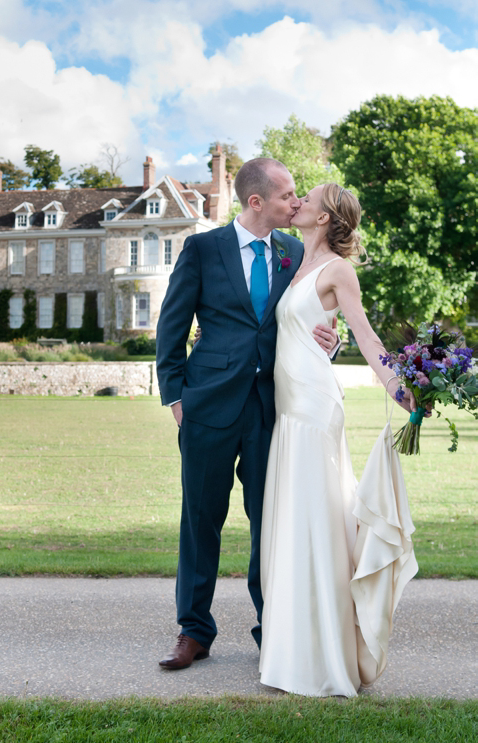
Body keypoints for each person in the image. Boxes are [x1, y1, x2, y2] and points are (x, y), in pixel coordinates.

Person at [155, 158, 339, 670]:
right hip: (207, 408)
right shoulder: (202, 248)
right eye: (287, 197)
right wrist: (176, 399)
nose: (297, 204)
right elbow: (171, 328)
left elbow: (310, 315)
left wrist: (333, 338)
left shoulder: (295, 251)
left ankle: (272, 630)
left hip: (270, 411)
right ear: (256, 202)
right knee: (200, 522)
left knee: (270, 524)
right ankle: (193, 631)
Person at [258, 182, 417, 697]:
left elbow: (365, 334)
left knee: (316, 522)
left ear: (325, 217)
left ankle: (324, 656)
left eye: (308, 196)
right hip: (288, 408)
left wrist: (398, 384)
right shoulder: (293, 261)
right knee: (297, 522)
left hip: (313, 407)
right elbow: (305, 326)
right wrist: (329, 336)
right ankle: (293, 650)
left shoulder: (338, 270)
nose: (297, 199)